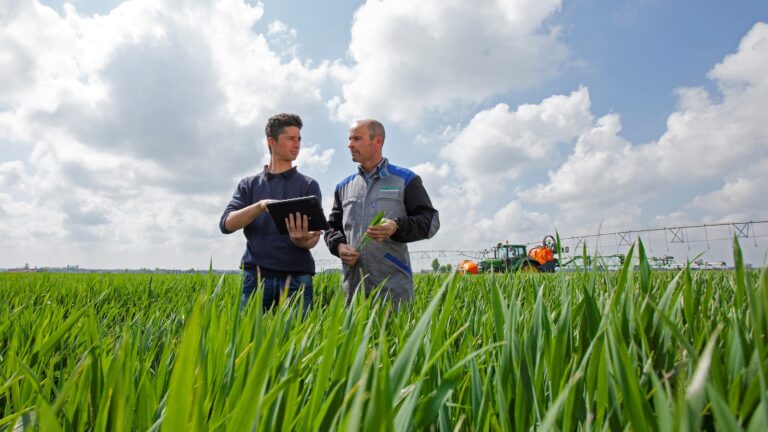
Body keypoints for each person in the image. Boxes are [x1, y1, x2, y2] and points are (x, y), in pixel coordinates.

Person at [325, 119, 440, 304]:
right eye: (349, 139)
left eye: (356, 139)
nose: (350, 144)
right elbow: (331, 228)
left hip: (393, 289)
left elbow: (431, 221)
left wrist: (397, 226)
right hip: (354, 290)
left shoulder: (405, 179)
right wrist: (338, 247)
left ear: (377, 141)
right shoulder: (343, 187)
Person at [219, 113, 322, 313]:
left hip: (297, 278)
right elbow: (227, 224)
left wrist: (302, 240)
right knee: (248, 339)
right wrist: (260, 206)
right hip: (256, 277)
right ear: (271, 141)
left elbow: (313, 238)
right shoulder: (249, 185)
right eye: (290, 138)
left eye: (299, 139)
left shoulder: (309, 185)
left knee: (299, 341)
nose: (297, 144)